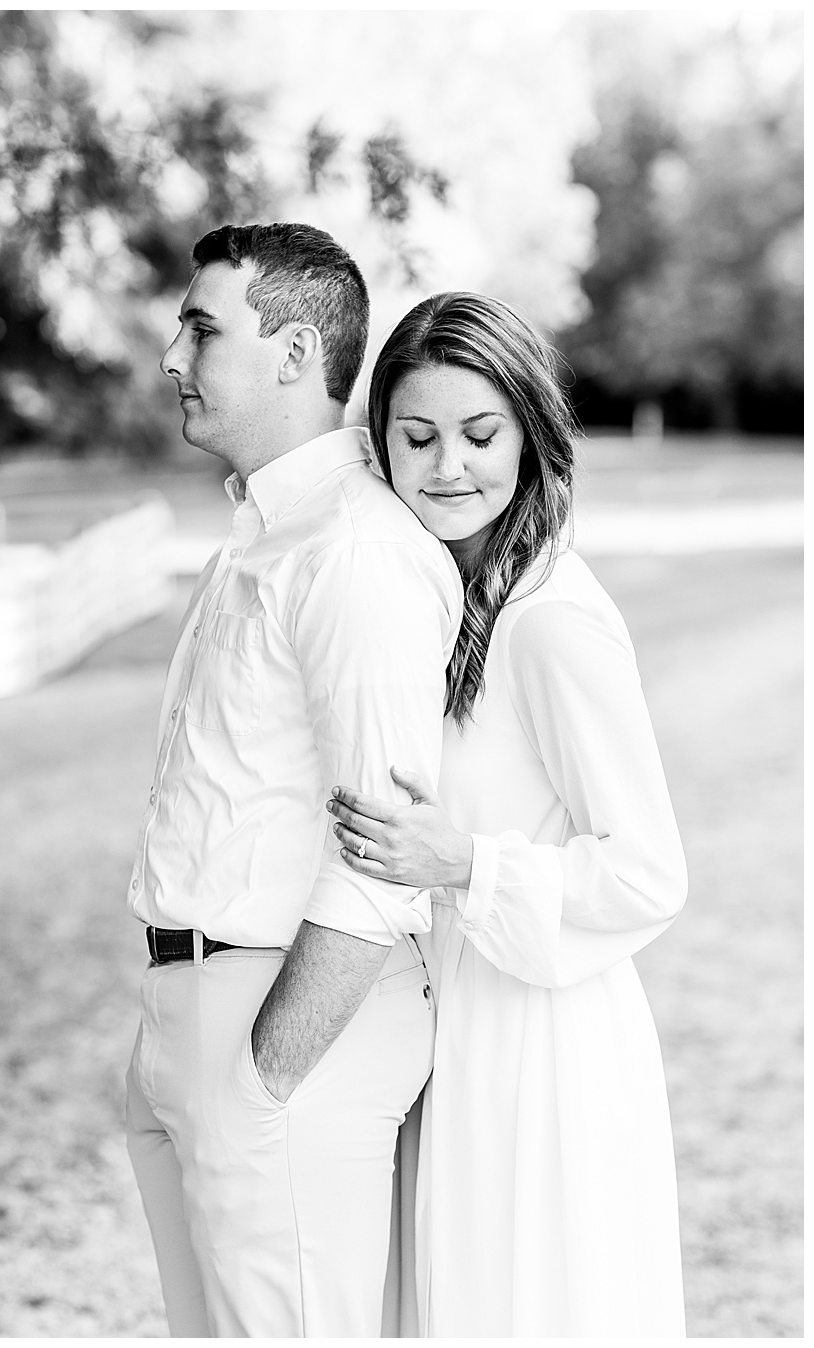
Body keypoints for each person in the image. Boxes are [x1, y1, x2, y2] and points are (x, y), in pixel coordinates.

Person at [124, 222, 463, 1337]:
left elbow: (384, 858)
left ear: (294, 353)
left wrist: (264, 1076)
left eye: (202, 328)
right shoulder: (266, 533)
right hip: (192, 1005)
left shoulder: (352, 551)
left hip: (284, 1029)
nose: (173, 356)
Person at [326, 292, 687, 1336]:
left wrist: (469, 864)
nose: (449, 467)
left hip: (545, 1044)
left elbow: (649, 872)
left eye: (481, 435)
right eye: (419, 435)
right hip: (448, 1027)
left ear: (531, 435)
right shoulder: (432, 602)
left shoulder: (555, 620)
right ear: (379, 441)